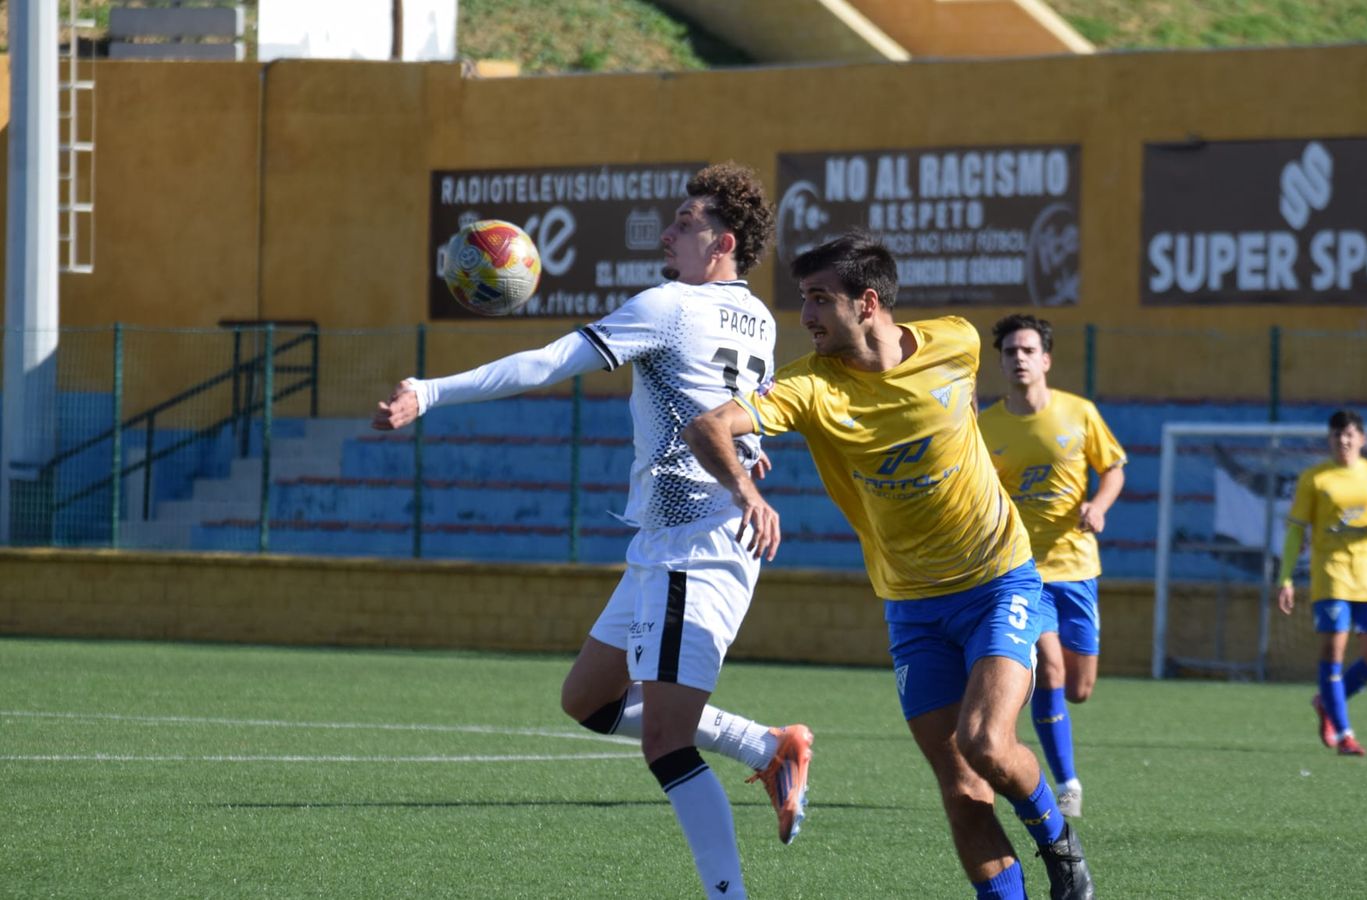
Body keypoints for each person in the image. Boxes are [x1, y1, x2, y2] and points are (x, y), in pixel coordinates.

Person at [371, 162, 812, 900]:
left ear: (722, 242)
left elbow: (547, 364)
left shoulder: (671, 304)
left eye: (685, 222)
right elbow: (737, 408)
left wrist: (429, 390)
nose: (668, 233)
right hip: (674, 542)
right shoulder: (760, 319)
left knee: (665, 739)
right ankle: (769, 748)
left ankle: (729, 890)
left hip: (694, 546)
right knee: (590, 700)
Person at [685, 231, 1093, 900]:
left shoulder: (956, 343)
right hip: (911, 607)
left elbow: (957, 407)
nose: (806, 316)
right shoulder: (810, 386)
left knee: (987, 741)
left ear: (867, 302)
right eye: (803, 300)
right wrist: (747, 493)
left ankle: (1059, 845)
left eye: (821, 299)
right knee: (961, 785)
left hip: (998, 581)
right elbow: (708, 427)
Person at [977, 314, 1125, 819]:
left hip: (1078, 567)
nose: (1017, 358)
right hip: (1021, 570)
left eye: (1026, 350)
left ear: (1045, 359)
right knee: (1050, 669)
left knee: (1079, 688)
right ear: (1000, 362)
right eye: (1009, 352)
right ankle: (1067, 783)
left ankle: (1041, 740)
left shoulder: (1079, 414)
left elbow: (1114, 468)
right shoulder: (985, 426)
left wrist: (1099, 505)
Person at [1275, 408, 1367, 757]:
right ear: (1329, 439)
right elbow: (1295, 531)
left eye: (1350, 434)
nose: (1344, 440)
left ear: (1362, 439)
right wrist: (1286, 577)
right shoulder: (1315, 479)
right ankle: (1345, 734)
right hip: (1332, 577)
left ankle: (1326, 703)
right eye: (1337, 435)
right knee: (1333, 651)